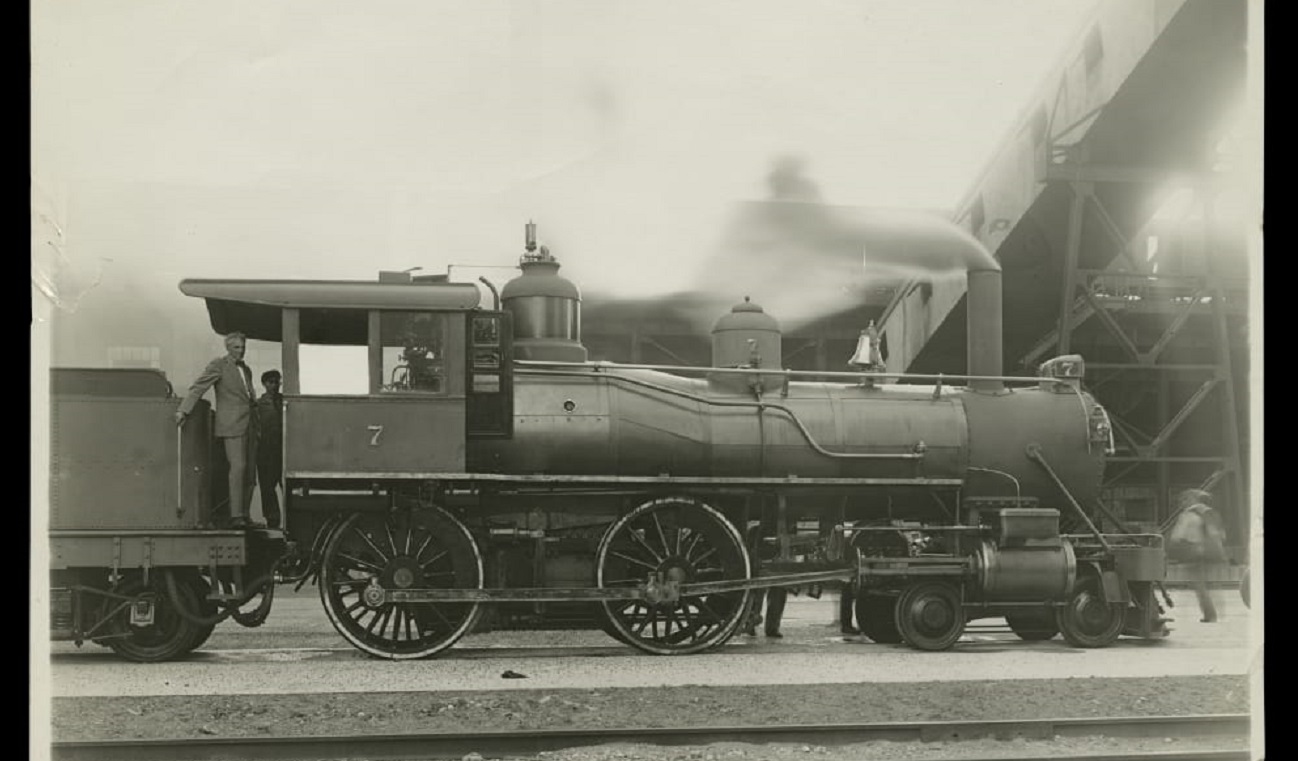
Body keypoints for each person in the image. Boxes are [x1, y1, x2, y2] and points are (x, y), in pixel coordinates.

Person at [175, 332, 261, 528]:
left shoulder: (246, 369)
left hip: (251, 424)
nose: (241, 351)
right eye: (237, 347)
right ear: (228, 348)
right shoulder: (219, 365)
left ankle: (245, 515)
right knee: (238, 468)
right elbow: (199, 386)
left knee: (249, 473)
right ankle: (236, 516)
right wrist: (183, 410)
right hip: (232, 424)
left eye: (243, 347)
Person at [1166, 489, 1228, 623]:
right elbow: (1222, 535)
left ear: (1190, 500)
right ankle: (1218, 612)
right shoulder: (1210, 512)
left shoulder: (1188, 515)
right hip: (1213, 553)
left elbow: (1177, 536)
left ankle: (1210, 615)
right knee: (1211, 584)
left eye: (1183, 500)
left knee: (1199, 585)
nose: (1181, 503)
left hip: (1195, 554)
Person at [255, 369, 284, 529]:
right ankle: (273, 520)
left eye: (276, 382)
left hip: (283, 449)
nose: (274, 385)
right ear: (264, 384)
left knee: (287, 485)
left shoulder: (285, 402)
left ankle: (292, 519)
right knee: (267, 487)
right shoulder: (259, 405)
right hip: (265, 451)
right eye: (270, 382)